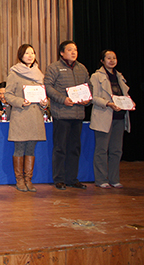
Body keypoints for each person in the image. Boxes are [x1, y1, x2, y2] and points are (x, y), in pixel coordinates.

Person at [44, 40, 91, 190]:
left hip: (78, 115)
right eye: (70, 50)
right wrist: (62, 99)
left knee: (74, 148)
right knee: (60, 148)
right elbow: (48, 87)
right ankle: (59, 179)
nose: (73, 52)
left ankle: (72, 178)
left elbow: (89, 87)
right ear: (62, 53)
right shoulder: (54, 68)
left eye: (75, 50)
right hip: (62, 114)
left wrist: (87, 99)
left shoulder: (82, 68)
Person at [4, 44, 48, 192]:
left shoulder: (39, 74)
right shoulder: (14, 73)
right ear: (21, 55)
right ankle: (19, 180)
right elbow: (8, 95)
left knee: (31, 149)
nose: (30, 56)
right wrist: (20, 101)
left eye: (32, 53)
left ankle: (28, 179)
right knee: (19, 148)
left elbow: (43, 95)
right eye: (27, 53)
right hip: (21, 116)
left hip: (35, 117)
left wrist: (45, 102)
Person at [90, 50, 134, 189]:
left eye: (114, 58)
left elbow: (124, 95)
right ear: (102, 61)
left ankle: (114, 179)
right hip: (104, 116)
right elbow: (93, 97)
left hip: (119, 117)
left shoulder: (119, 76)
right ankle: (101, 179)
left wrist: (129, 103)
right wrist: (108, 103)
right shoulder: (96, 76)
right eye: (108, 58)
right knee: (101, 150)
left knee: (116, 150)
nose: (112, 60)